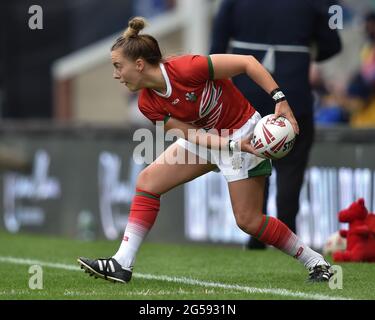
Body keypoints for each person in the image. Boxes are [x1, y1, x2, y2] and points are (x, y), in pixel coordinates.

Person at [77, 17, 332, 283]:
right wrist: (230, 146)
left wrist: (280, 100)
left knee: (249, 221)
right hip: (212, 140)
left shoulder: (187, 68)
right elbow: (191, 135)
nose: (116, 74)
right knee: (147, 182)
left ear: (139, 64)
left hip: (243, 131)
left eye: (118, 66)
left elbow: (247, 63)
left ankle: (316, 262)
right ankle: (122, 263)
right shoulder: (147, 104)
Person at [210, 0, 342, 249]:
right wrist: (303, 49)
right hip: (294, 96)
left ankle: (257, 233)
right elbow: (332, 44)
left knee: (252, 157)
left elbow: (216, 48)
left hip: (244, 99)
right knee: (291, 168)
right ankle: (287, 234)